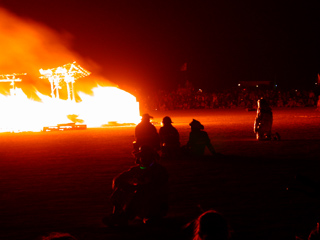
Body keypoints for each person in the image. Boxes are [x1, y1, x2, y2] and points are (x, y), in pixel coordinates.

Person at [106, 145, 169, 226]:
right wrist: (126, 187)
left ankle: (124, 217)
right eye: (142, 156)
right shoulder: (136, 170)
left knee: (141, 193)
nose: (143, 158)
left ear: (152, 157)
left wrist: (136, 188)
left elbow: (157, 188)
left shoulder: (159, 170)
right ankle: (117, 214)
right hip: (142, 204)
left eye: (146, 156)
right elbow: (117, 180)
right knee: (120, 190)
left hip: (156, 205)